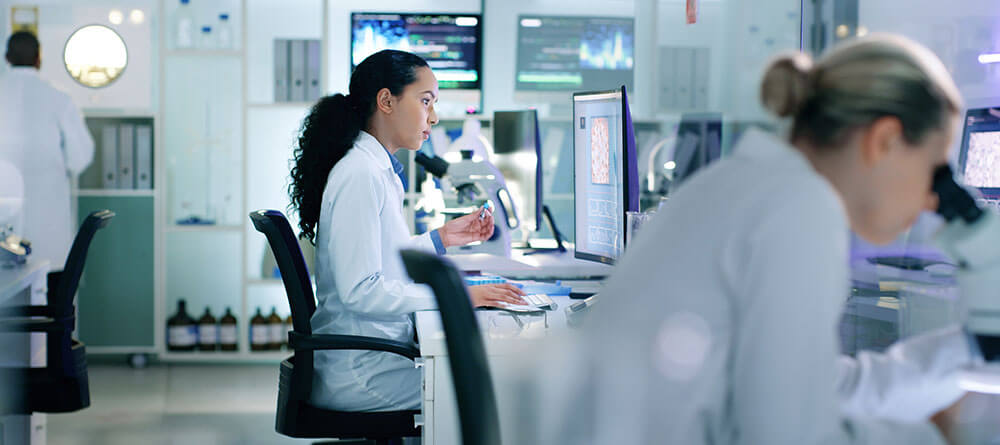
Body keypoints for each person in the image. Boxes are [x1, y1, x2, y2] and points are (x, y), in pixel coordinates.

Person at [525, 35, 975, 444]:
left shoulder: (744, 184)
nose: (934, 200)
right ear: (886, 140)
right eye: (934, 169)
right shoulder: (799, 207)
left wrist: (963, 352)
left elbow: (799, 386)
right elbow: (786, 433)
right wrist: (926, 438)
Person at [288, 49, 526, 412]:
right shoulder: (361, 174)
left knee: (490, 378)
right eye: (425, 101)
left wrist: (442, 239)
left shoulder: (376, 168)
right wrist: (458, 296)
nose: (434, 116)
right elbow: (361, 293)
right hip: (361, 371)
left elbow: (383, 258)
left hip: (376, 357)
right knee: (498, 390)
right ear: (386, 100)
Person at [0, 31, 94, 270]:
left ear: (6, 57)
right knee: (49, 294)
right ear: (39, 58)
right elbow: (80, 157)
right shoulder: (59, 99)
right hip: (47, 220)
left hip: (4, 221)